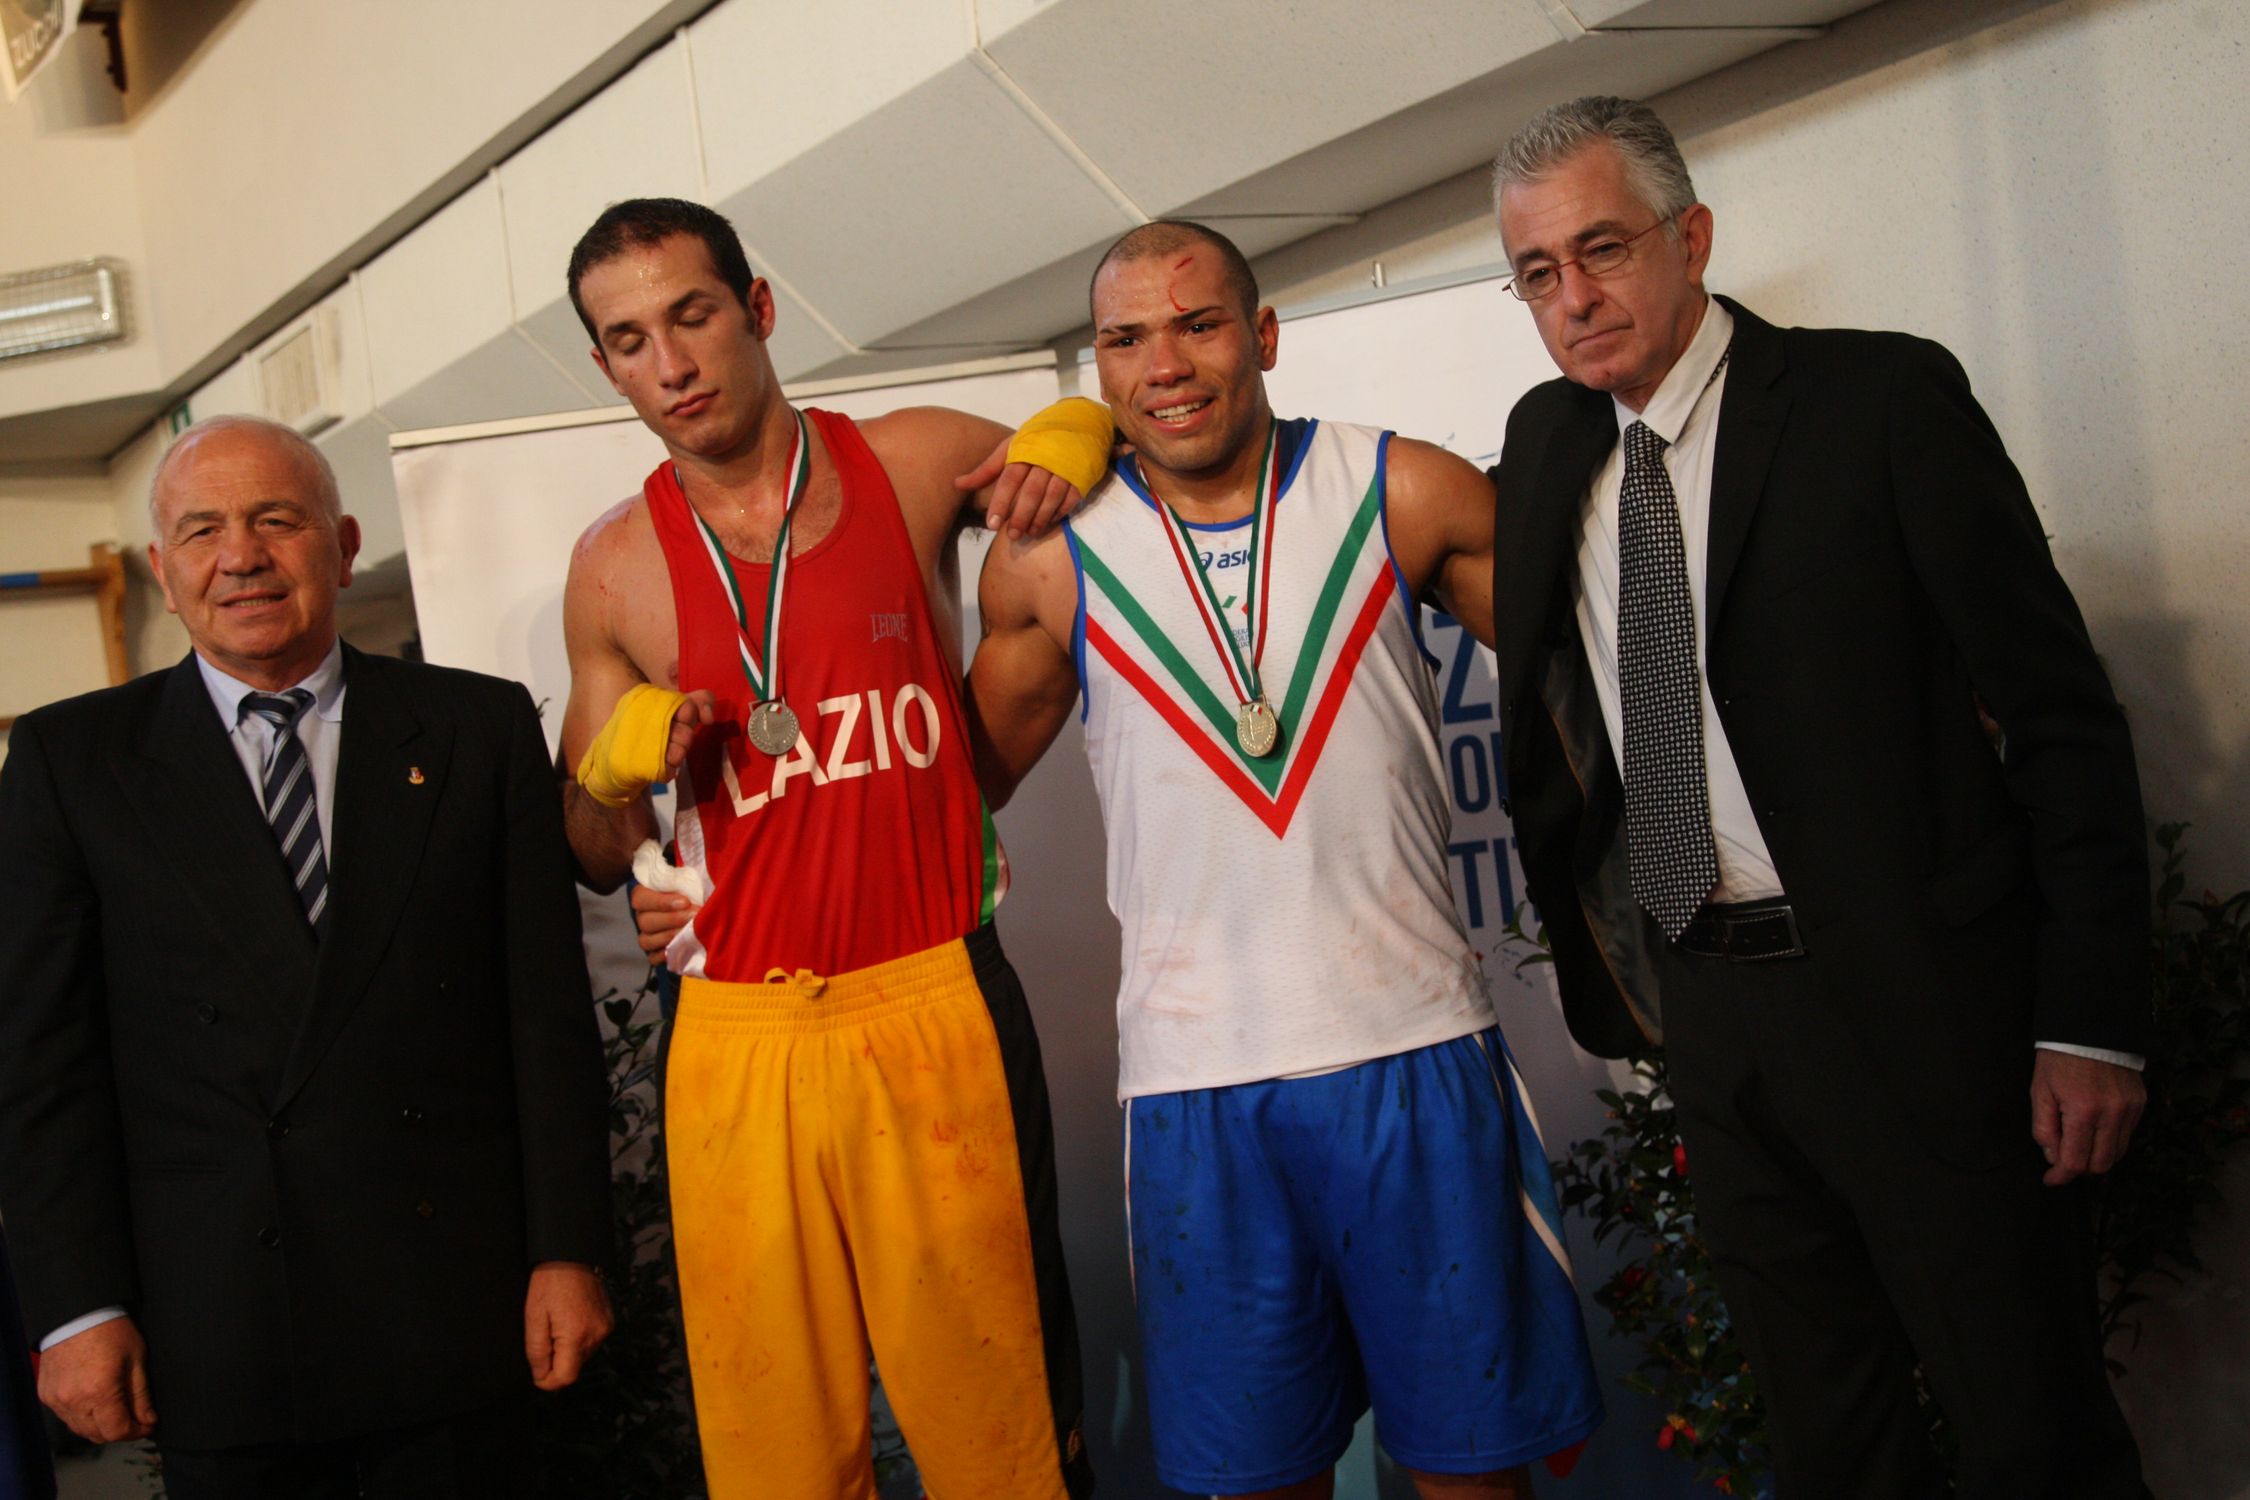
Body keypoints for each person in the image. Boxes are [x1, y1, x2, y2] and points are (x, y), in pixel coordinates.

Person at [1487, 96, 2150, 1497]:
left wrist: (2088, 1021)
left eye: (1600, 249)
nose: (1573, 298)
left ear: (1691, 237)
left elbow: (2060, 720)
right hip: (1715, 1014)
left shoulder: (1878, 402)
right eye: (1536, 272)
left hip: (1924, 1009)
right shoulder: (1546, 444)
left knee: (2030, 1429)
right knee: (1827, 1442)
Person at [963, 220, 1602, 1500]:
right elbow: (942, 795)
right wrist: (701, 876)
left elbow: (1611, 666)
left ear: (1261, 335)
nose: (1165, 366)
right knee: (1256, 1480)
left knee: (1474, 1473)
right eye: (1126, 340)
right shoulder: (1045, 563)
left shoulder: (1401, 489)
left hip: (1412, 1051)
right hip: (1197, 1089)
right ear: (1098, 367)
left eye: (1197, 324)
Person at [557, 197, 1100, 1500]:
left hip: (931, 995)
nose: (671, 364)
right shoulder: (614, 565)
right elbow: (594, 848)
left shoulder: (909, 461)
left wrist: (1081, 433)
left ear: (756, 308)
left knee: (1009, 1435)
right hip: (736, 1033)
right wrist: (614, 770)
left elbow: (1099, 464)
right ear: (606, 366)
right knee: (776, 1452)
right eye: (629, 340)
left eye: (691, 315)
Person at [0, 416, 613, 1500]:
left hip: (452, 1305)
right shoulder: (72, 759)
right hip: (222, 1319)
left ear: (343, 545)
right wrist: (76, 1308)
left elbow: (545, 1019)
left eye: (276, 520)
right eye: (203, 531)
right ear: (163, 573)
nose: (240, 556)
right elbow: (44, 1065)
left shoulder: (472, 728)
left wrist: (568, 1249)